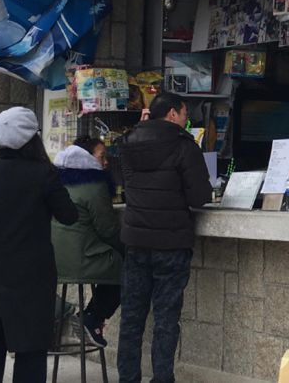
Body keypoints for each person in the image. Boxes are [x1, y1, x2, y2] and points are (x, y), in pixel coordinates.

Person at [0, 107, 78, 383]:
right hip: (33, 275)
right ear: (33, 138)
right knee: (31, 346)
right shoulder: (43, 174)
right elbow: (69, 215)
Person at [115, 93, 212, 383]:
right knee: (166, 318)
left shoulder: (127, 143)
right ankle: (162, 378)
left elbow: (122, 181)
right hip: (171, 242)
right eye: (184, 114)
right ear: (172, 114)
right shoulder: (184, 146)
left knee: (132, 317)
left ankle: (128, 378)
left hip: (135, 241)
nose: (186, 119)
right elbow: (200, 196)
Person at [51, 136, 124, 348]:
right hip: (81, 260)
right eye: (102, 156)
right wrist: (126, 249)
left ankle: (88, 318)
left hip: (55, 259)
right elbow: (108, 230)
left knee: (112, 262)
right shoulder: (95, 185)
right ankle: (91, 319)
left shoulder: (57, 182)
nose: (106, 161)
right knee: (127, 266)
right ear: (87, 158)